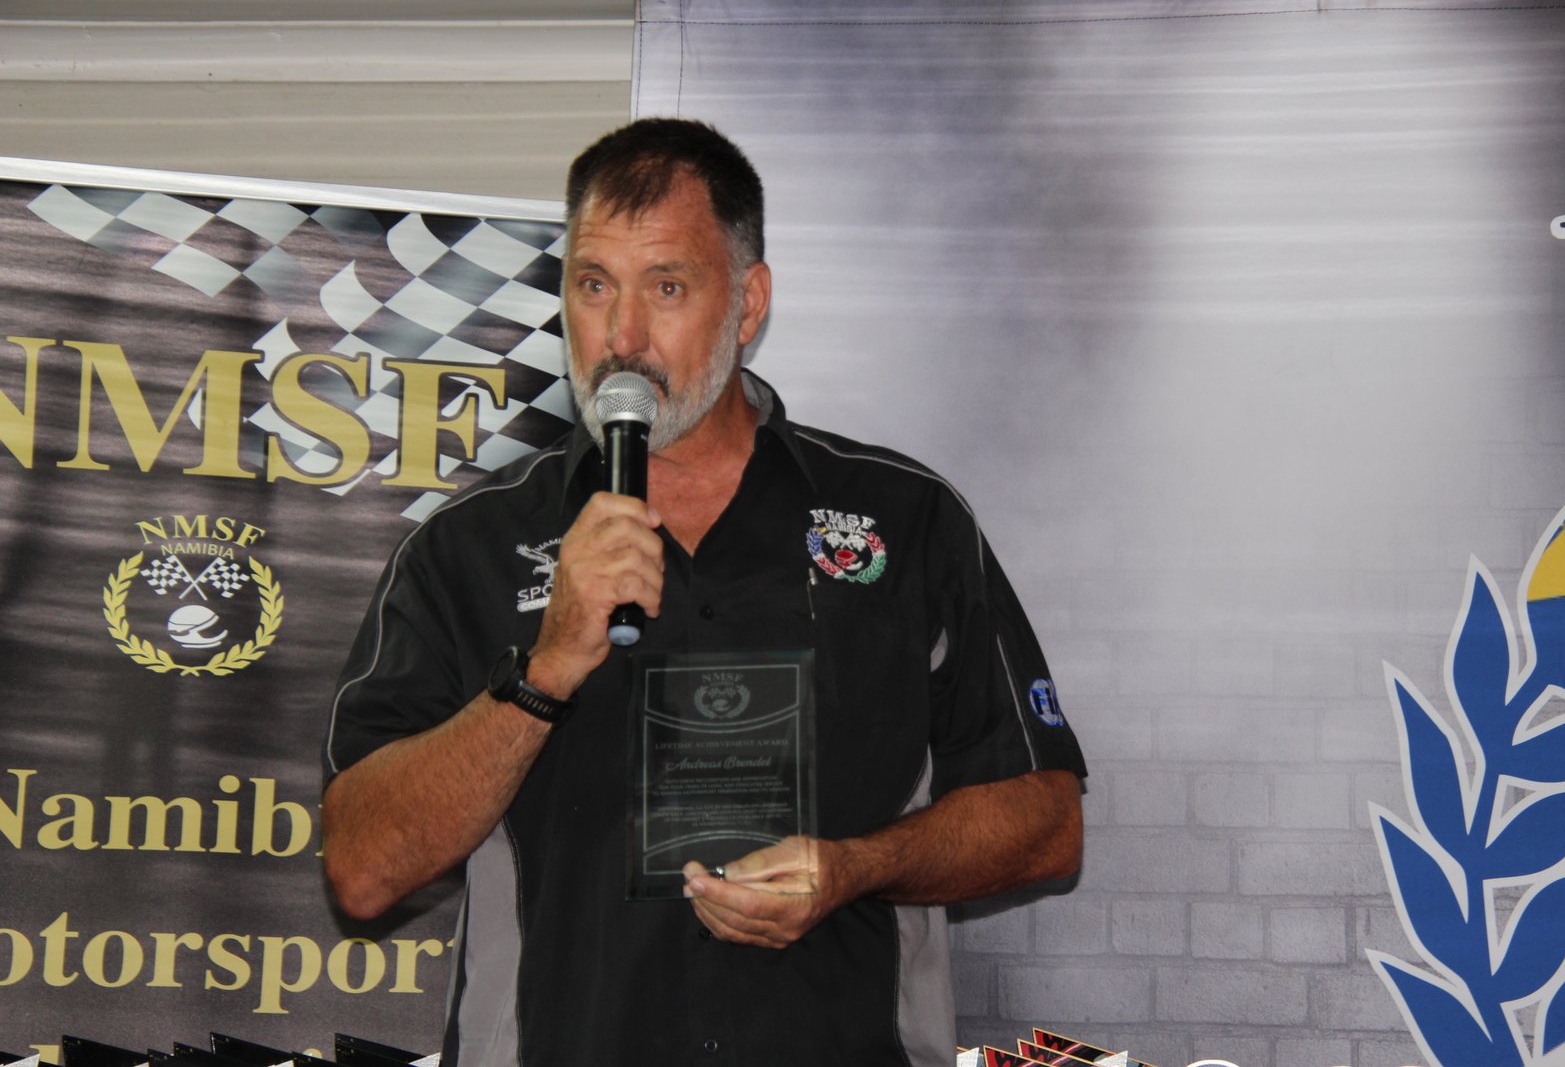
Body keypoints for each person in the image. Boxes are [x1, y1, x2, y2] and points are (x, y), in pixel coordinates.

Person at [321, 118, 1086, 1067]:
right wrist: (546, 667)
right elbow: (360, 871)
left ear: (749, 303)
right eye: (593, 286)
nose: (622, 338)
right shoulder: (464, 550)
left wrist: (857, 869)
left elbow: (1047, 823)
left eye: (667, 287)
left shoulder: (904, 521)